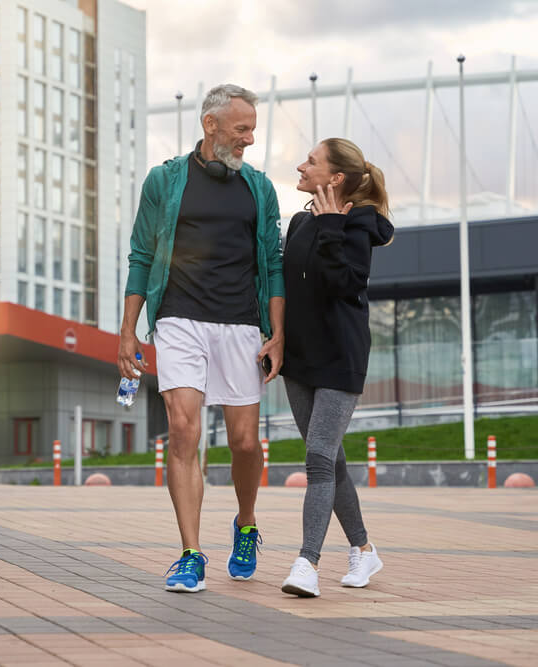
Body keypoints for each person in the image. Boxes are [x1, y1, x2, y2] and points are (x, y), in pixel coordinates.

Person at [117, 84, 285, 593]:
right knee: (184, 431)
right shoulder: (164, 181)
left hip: (239, 321)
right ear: (210, 125)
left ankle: (246, 522)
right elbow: (141, 256)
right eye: (242, 129)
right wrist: (128, 330)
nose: (250, 139)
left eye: (253, 129)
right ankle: (190, 553)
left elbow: (273, 265)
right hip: (178, 317)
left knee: (243, 442)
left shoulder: (259, 187)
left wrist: (277, 334)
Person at [278, 138, 394, 597]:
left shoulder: (360, 224)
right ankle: (364, 550)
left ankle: (307, 562)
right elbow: (289, 286)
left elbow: (345, 284)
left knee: (318, 459)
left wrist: (331, 225)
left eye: (311, 161)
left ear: (336, 177)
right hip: (300, 358)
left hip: (341, 358)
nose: (300, 165)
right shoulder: (301, 221)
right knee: (333, 461)